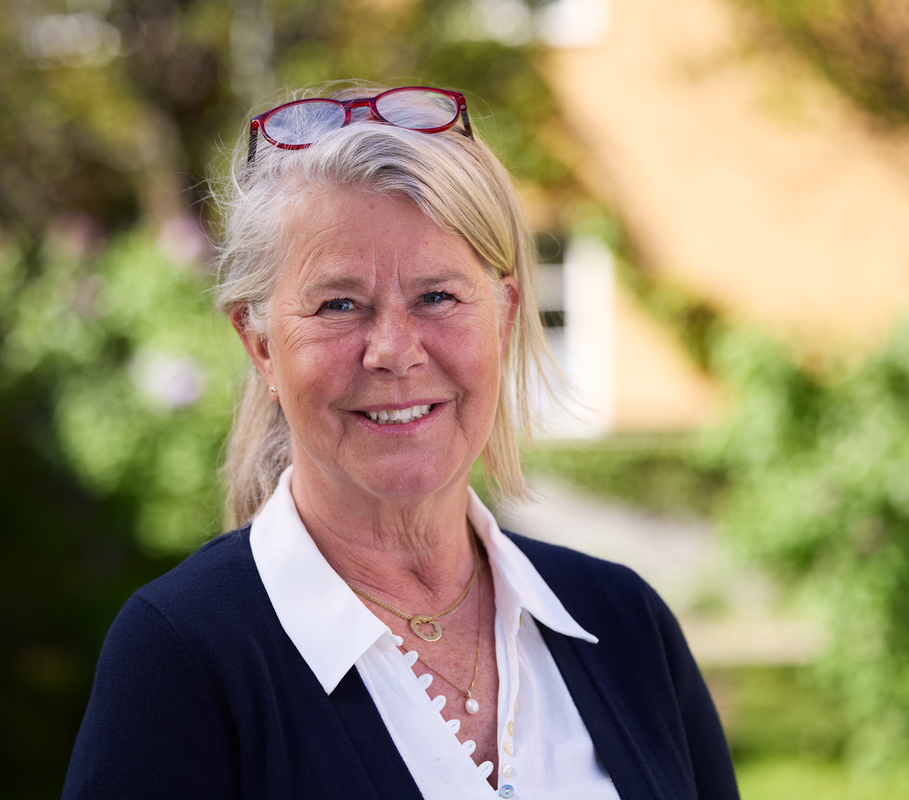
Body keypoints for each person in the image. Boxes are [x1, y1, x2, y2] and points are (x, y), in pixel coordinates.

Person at [64, 83, 739, 799]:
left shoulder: (623, 623)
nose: (393, 350)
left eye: (437, 296)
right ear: (260, 344)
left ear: (505, 318)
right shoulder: (181, 656)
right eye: (339, 304)